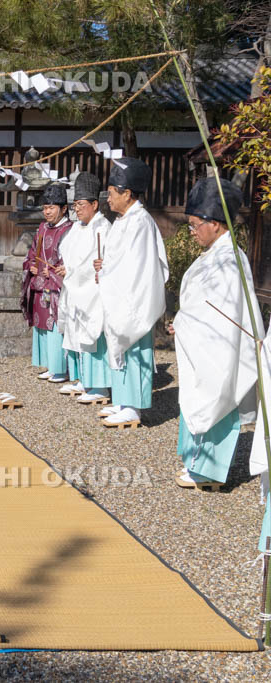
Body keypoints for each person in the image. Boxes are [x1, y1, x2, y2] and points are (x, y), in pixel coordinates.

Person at [170, 177, 263, 490]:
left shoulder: (230, 261)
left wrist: (185, 323)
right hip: (200, 342)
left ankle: (208, 469)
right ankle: (196, 462)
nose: (192, 231)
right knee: (200, 395)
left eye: (195, 224)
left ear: (216, 223)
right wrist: (182, 323)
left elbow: (222, 315)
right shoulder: (215, 255)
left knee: (218, 392)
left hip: (217, 347)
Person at [94, 158, 169, 428]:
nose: (109, 198)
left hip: (133, 297)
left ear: (127, 193)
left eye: (112, 193)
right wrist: (105, 266)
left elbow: (140, 267)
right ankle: (123, 400)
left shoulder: (140, 222)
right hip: (119, 291)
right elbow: (118, 259)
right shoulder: (124, 220)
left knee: (133, 348)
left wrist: (110, 270)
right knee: (119, 346)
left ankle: (134, 406)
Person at [57, 172, 112, 405]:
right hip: (76, 289)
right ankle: (84, 379)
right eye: (75, 205)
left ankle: (100, 385)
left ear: (94, 204)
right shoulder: (79, 227)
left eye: (81, 205)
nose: (77, 210)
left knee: (93, 334)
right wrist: (65, 268)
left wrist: (72, 273)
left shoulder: (102, 227)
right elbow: (68, 252)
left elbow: (95, 262)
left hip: (92, 292)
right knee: (76, 333)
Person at [23, 182, 73, 384]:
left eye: (52, 208)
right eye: (45, 208)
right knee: (42, 326)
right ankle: (49, 365)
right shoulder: (42, 228)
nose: (47, 212)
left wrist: (53, 272)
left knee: (55, 327)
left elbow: (71, 259)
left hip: (56, 287)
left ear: (63, 208)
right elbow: (32, 253)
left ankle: (61, 369)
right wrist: (31, 266)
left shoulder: (70, 230)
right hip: (40, 284)